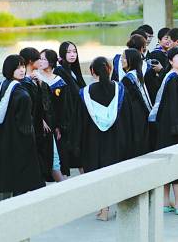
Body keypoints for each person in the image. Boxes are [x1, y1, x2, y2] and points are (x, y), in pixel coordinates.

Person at [77, 57, 137, 220]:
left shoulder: (85, 94)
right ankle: (122, 207)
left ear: (92, 72)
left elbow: (80, 123)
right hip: (119, 140)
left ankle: (104, 210)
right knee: (117, 172)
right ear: (110, 69)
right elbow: (129, 118)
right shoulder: (120, 89)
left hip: (94, 143)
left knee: (99, 175)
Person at [0, 55, 45, 196]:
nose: (21, 70)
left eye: (22, 66)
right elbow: (26, 123)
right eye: (17, 67)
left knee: (14, 182)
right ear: (9, 69)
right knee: (24, 182)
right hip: (20, 143)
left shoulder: (2, 86)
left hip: (4, 140)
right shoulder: (20, 91)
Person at [149, 47, 178, 215]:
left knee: (166, 166)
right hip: (175, 131)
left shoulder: (174, 78)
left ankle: (165, 203)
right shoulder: (175, 79)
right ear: (170, 60)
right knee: (177, 166)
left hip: (165, 129)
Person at [19, 47, 55, 183]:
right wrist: (41, 119)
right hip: (32, 128)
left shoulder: (34, 79)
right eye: (38, 58)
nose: (41, 61)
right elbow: (31, 107)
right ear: (30, 61)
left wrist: (41, 83)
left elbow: (44, 103)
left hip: (39, 126)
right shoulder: (24, 82)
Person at [54, 41, 86, 171]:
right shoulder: (60, 71)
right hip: (69, 120)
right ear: (62, 54)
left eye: (74, 51)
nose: (72, 55)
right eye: (68, 52)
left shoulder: (74, 70)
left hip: (78, 117)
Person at [37, 49, 67, 182]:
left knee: (56, 157)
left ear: (51, 61)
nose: (41, 61)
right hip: (39, 123)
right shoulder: (35, 78)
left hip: (54, 124)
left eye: (44, 59)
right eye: (40, 58)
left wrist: (60, 126)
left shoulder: (59, 81)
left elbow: (62, 107)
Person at [120, 48, 152, 156]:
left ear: (131, 60)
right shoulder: (137, 75)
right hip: (141, 115)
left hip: (135, 116)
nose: (121, 60)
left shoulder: (128, 79)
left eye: (124, 57)